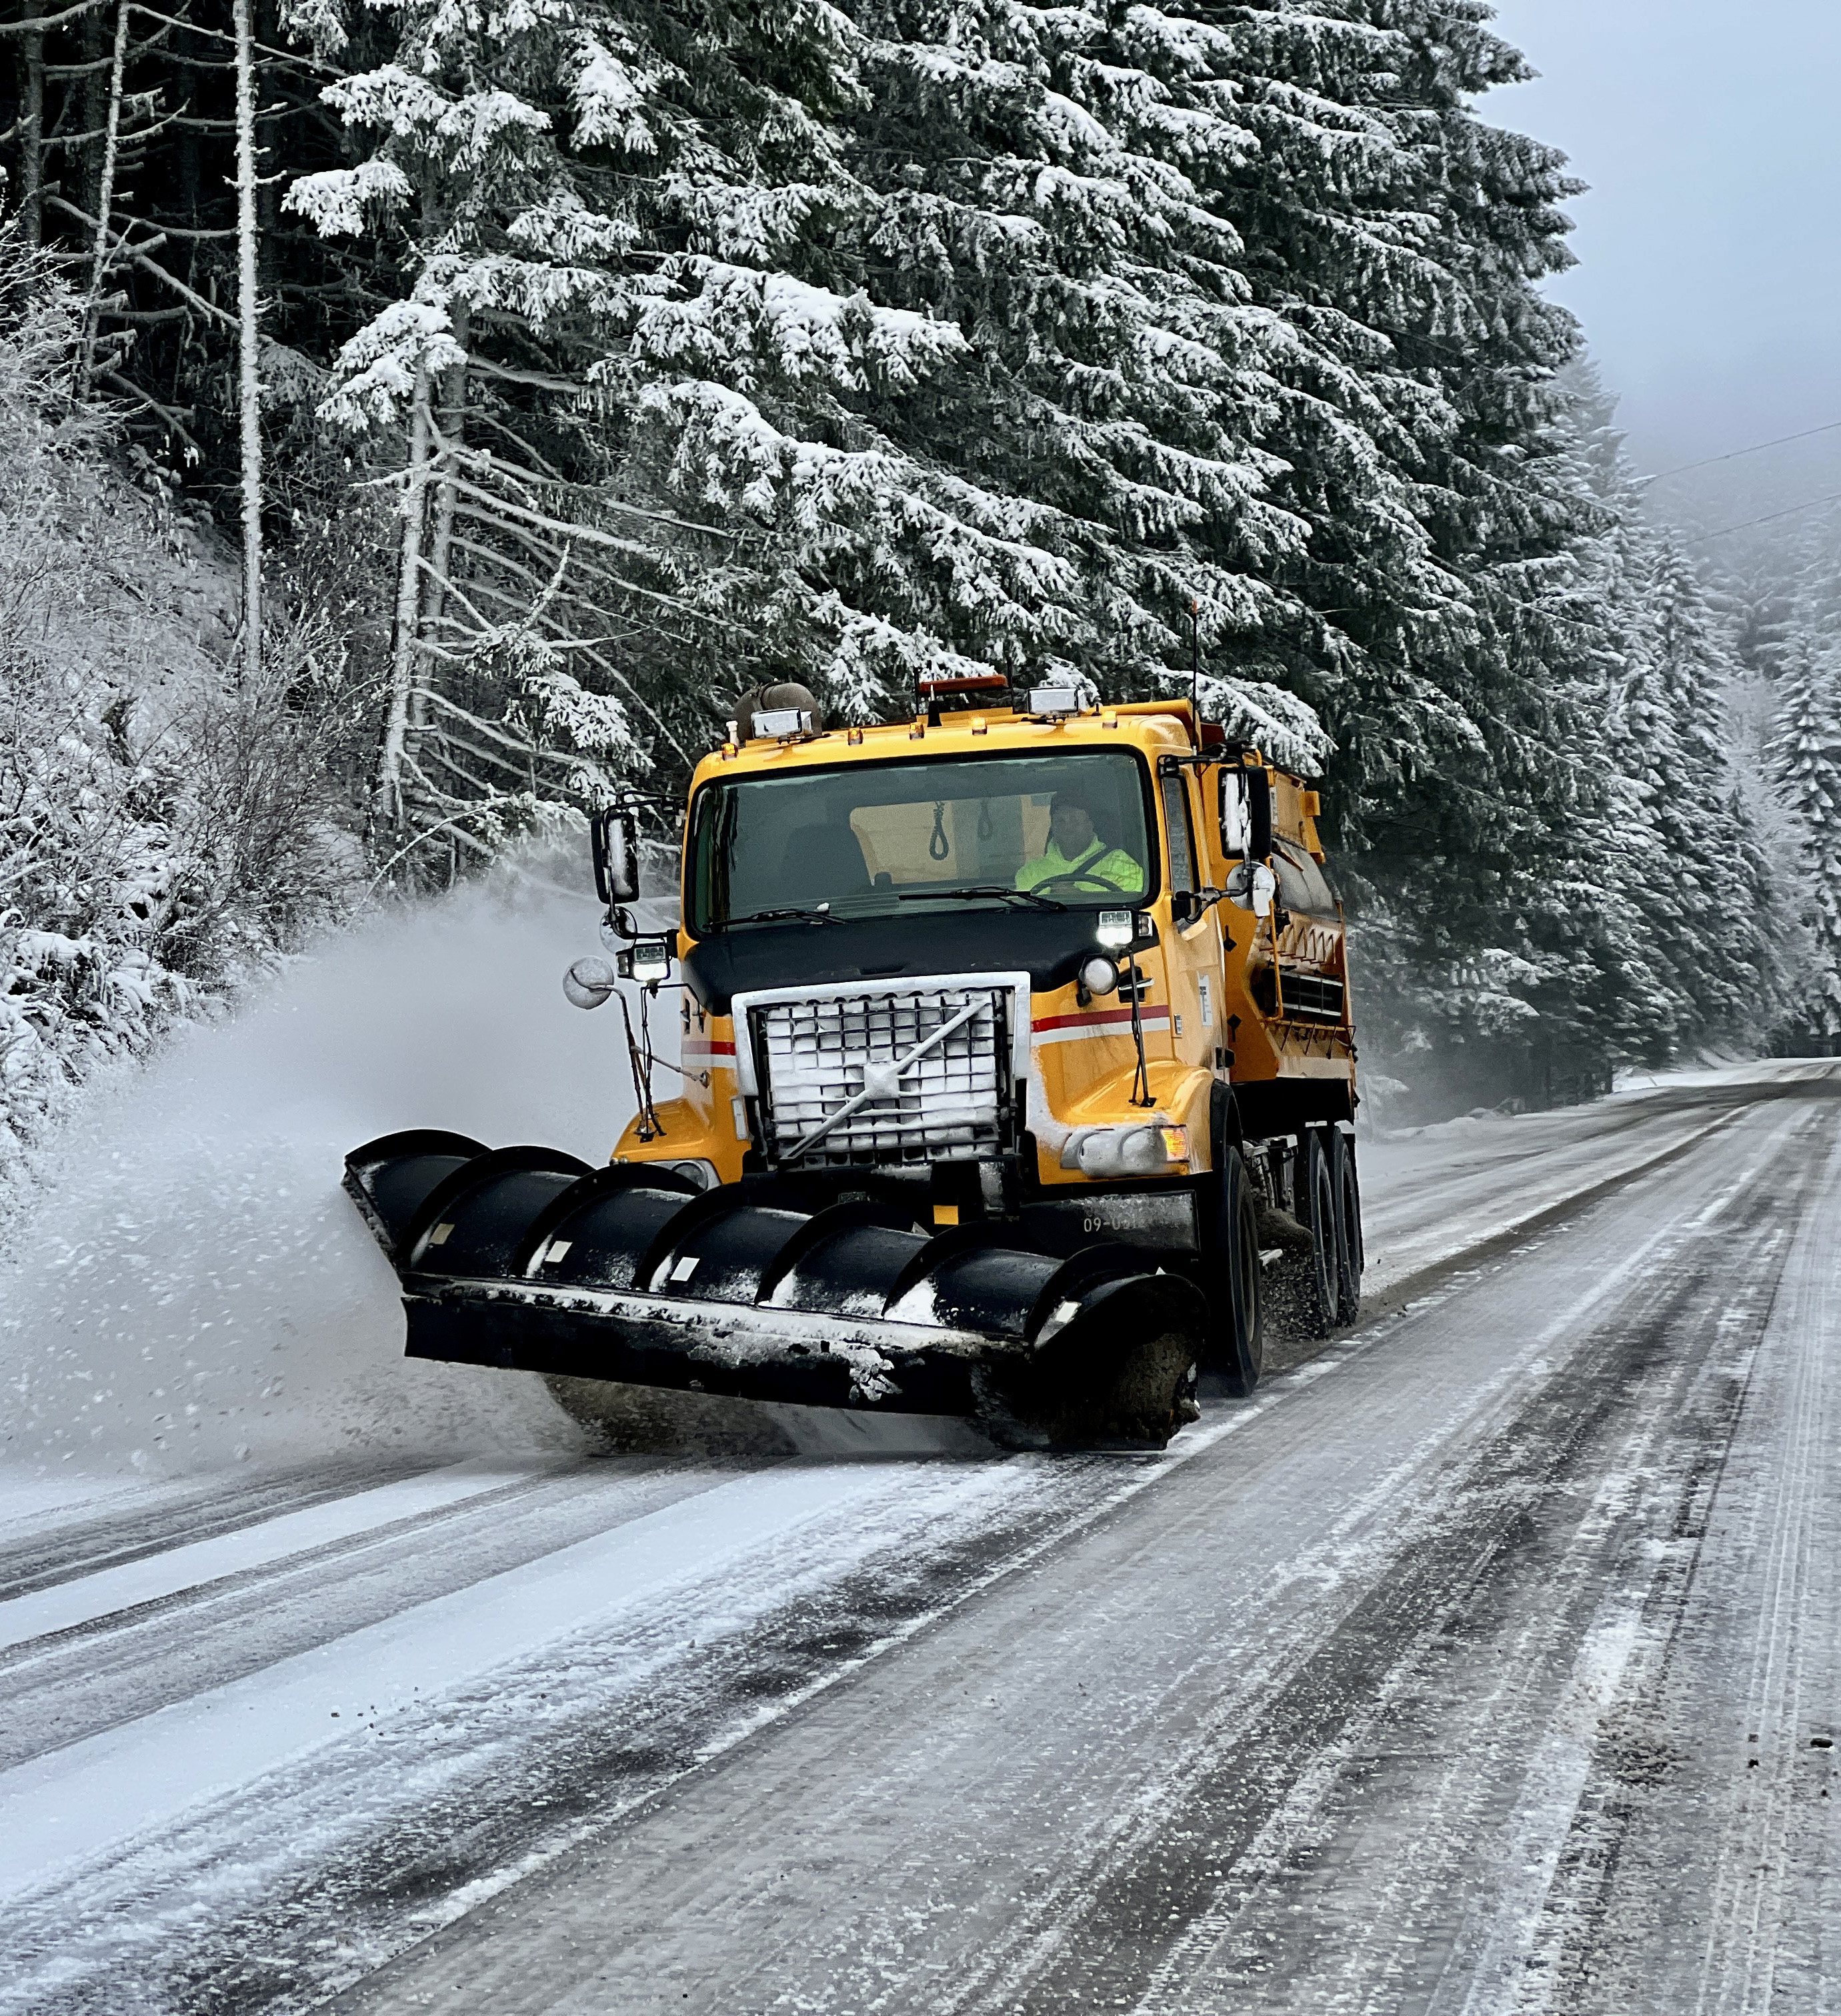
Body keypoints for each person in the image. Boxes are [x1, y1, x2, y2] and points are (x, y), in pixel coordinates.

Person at [1016, 790, 1142, 895]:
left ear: (1091, 824)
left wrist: (1080, 898)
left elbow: (1132, 908)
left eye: (1075, 820)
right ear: (1052, 827)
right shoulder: (1030, 872)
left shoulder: (1121, 865)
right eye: (1060, 821)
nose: (1067, 828)